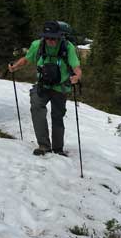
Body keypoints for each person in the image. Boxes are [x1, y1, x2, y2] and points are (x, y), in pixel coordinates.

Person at [8, 20, 82, 156]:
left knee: (57, 116)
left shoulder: (67, 46)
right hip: (43, 85)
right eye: (48, 38)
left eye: (54, 38)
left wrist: (76, 77)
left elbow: (76, 66)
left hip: (60, 87)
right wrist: (15, 67)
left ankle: (58, 148)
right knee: (36, 107)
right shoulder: (37, 45)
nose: (51, 41)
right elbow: (26, 59)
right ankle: (44, 146)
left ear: (59, 36)